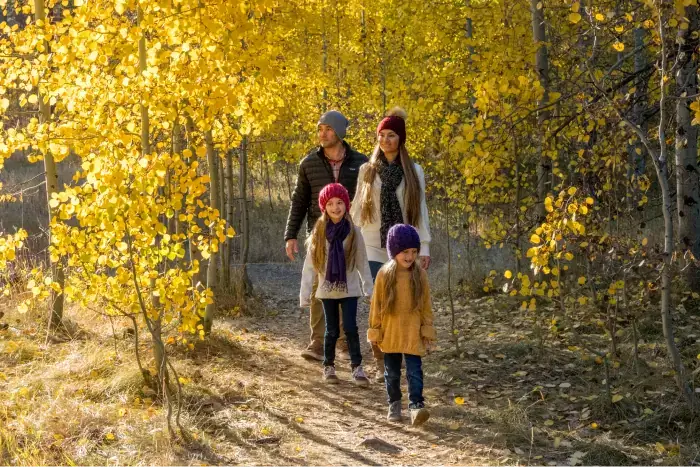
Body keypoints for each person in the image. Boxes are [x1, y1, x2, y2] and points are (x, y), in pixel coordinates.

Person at [351, 107, 431, 381]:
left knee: (403, 299)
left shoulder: (414, 171)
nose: (385, 140)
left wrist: (425, 247)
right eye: (381, 135)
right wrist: (349, 241)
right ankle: (381, 347)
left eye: (391, 135)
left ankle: (400, 348)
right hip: (372, 243)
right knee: (379, 296)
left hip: (403, 246)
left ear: (401, 139)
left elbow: (420, 209)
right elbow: (357, 209)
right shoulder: (367, 170)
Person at [285, 110, 369, 361]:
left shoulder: (361, 163)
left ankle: (343, 340)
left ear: (340, 132)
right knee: (317, 288)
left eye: (328, 129)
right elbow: (298, 201)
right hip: (319, 234)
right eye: (320, 129)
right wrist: (291, 235)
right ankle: (318, 342)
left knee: (345, 283)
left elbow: (367, 201)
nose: (323, 134)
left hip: (349, 236)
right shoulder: (308, 163)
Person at [300, 184, 373, 385]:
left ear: (346, 205)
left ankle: (357, 368)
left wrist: (369, 289)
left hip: (349, 289)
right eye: (330, 203)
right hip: (327, 291)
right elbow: (310, 266)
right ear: (324, 207)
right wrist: (305, 294)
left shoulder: (354, 232)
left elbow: (362, 262)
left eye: (340, 202)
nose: (335, 207)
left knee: (350, 327)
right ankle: (329, 366)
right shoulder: (319, 232)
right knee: (331, 330)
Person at [367, 224, 436, 426]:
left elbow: (425, 306)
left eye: (414, 251)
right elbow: (376, 306)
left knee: (415, 371)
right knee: (393, 372)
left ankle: (416, 406)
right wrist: (375, 331)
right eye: (405, 251)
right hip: (391, 332)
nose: (409, 256)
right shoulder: (384, 274)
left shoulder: (419, 274)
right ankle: (394, 403)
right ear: (394, 251)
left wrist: (427, 331)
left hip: (413, 332)